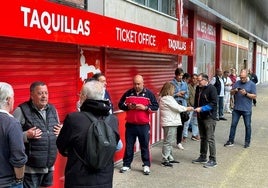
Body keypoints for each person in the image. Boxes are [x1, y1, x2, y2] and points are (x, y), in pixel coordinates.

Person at [56, 80, 120, 188]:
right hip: (105, 180)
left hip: (78, 180)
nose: (79, 96)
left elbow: (62, 147)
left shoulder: (74, 119)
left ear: (84, 97)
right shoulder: (113, 120)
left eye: (80, 94)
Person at [13, 81, 62, 188]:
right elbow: (11, 137)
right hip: (30, 169)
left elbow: (58, 131)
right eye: (40, 93)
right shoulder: (21, 110)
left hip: (49, 166)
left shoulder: (53, 110)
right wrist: (26, 135)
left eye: (46, 93)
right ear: (31, 95)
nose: (44, 96)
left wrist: (61, 131)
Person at [118, 75, 159, 175]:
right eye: (135, 84)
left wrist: (145, 108)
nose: (136, 86)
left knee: (144, 146)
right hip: (130, 124)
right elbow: (120, 104)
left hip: (143, 125)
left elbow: (155, 107)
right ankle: (126, 165)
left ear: (143, 83)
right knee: (129, 146)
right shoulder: (128, 93)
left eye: (138, 84)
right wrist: (128, 107)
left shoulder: (149, 94)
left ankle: (146, 165)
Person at [159, 82, 193, 167]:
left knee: (170, 141)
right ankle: (165, 159)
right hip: (169, 122)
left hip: (170, 122)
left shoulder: (167, 98)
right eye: (173, 89)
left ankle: (170, 157)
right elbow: (177, 107)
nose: (174, 91)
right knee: (168, 141)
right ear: (169, 89)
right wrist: (187, 108)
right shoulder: (167, 99)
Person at [0, 82, 27, 188]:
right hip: (7, 182)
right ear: (8, 100)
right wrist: (19, 180)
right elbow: (18, 157)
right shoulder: (12, 123)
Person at [224, 69, 257, 148]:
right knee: (233, 125)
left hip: (247, 109)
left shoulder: (252, 84)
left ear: (247, 76)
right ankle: (231, 140)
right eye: (241, 77)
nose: (242, 79)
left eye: (243, 77)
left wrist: (246, 94)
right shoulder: (237, 83)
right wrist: (234, 90)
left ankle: (247, 142)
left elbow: (254, 96)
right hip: (237, 109)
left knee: (248, 126)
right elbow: (231, 92)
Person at [192, 73, 218, 168]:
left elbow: (214, 103)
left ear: (205, 80)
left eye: (199, 80)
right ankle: (203, 156)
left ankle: (213, 159)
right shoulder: (198, 88)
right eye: (197, 80)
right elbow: (196, 101)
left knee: (210, 138)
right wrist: (195, 108)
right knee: (203, 137)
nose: (198, 82)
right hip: (200, 116)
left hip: (209, 117)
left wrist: (202, 108)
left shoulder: (212, 89)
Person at [171, 68, 189, 150]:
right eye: (179, 75)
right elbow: (168, 95)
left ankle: (179, 142)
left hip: (182, 106)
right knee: (173, 124)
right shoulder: (171, 83)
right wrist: (176, 94)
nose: (181, 77)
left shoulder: (184, 84)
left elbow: (187, 95)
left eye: (182, 75)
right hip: (174, 106)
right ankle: (170, 141)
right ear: (176, 75)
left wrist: (183, 95)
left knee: (181, 125)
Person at [183, 73, 200, 141]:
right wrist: (188, 106)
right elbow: (186, 98)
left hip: (196, 107)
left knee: (195, 122)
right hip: (190, 107)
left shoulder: (198, 87)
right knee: (187, 122)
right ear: (191, 79)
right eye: (193, 78)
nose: (194, 80)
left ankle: (194, 135)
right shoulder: (188, 86)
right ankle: (184, 136)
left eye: (196, 79)